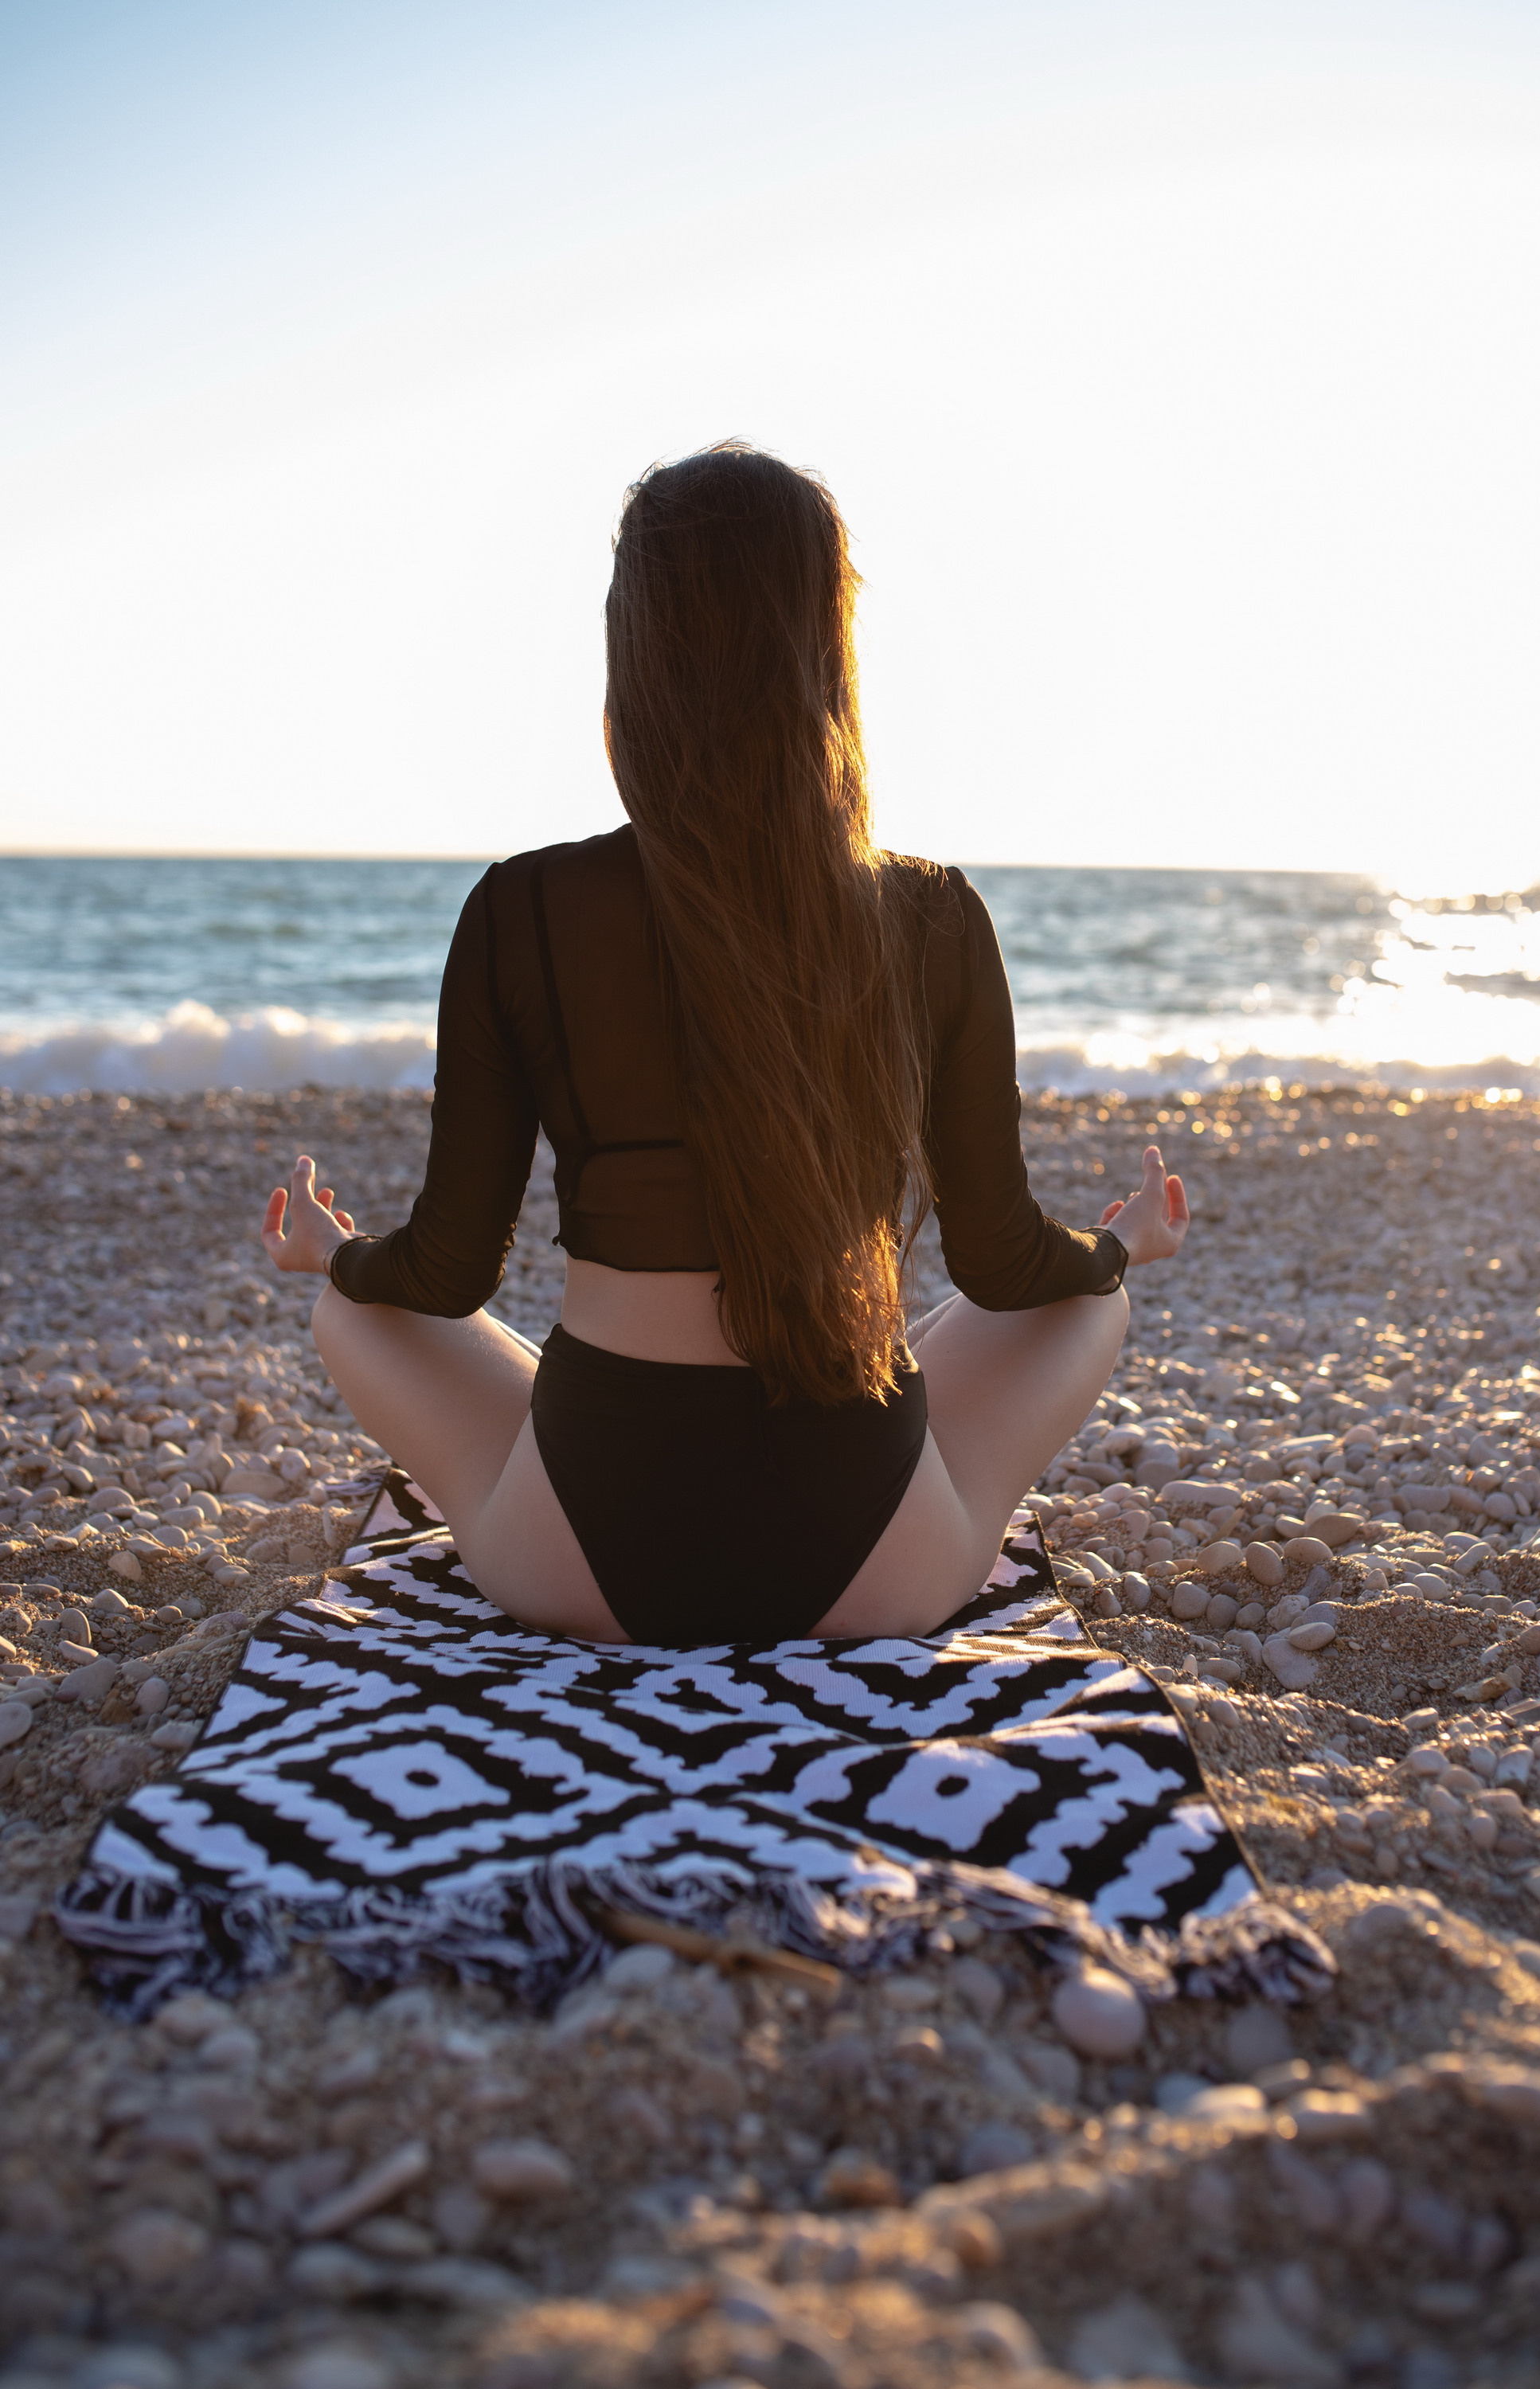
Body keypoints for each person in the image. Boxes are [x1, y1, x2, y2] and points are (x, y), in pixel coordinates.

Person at [261, 442, 1187, 1646]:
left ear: (635, 663)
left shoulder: (521, 909)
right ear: (826, 661)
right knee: (1087, 1306)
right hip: (879, 1570)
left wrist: (335, 1255)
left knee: (354, 1312)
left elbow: (446, 1278)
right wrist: (1121, 1244)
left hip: (580, 1558)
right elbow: (1006, 1267)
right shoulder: (932, 914)